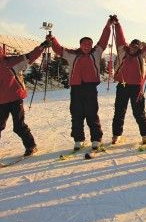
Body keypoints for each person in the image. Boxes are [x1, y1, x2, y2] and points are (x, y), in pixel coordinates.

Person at [49, 16, 114, 151]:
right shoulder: (72, 54)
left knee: (92, 114)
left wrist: (108, 25)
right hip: (76, 89)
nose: (87, 46)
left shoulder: (96, 52)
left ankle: (96, 139)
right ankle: (79, 140)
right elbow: (59, 49)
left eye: (89, 44)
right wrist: (52, 40)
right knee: (77, 114)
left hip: (90, 88)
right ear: (80, 45)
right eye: (84, 44)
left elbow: (103, 39)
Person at [110, 18, 146, 145]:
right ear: (129, 45)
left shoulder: (142, 55)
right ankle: (116, 135)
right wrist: (117, 24)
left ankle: (145, 135)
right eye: (132, 46)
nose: (134, 48)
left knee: (139, 112)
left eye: (137, 46)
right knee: (119, 111)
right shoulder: (122, 51)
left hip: (136, 87)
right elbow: (120, 38)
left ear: (139, 48)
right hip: (122, 85)